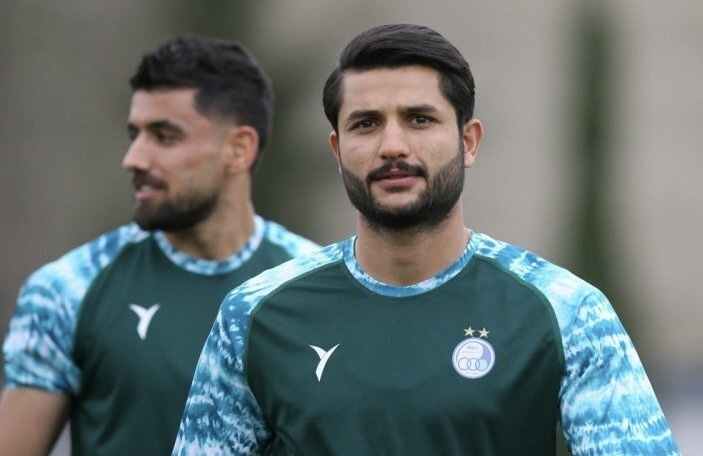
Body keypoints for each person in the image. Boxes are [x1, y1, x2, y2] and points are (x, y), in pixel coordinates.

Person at [171, 24, 681, 456]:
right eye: (366, 124)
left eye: (419, 119)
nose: (393, 145)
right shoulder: (253, 315)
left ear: (468, 142)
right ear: (338, 150)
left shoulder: (566, 311)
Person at [0, 35, 319, 456]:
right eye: (135, 134)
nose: (133, 158)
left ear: (238, 149)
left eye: (164, 136)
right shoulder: (68, 289)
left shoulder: (314, 287)